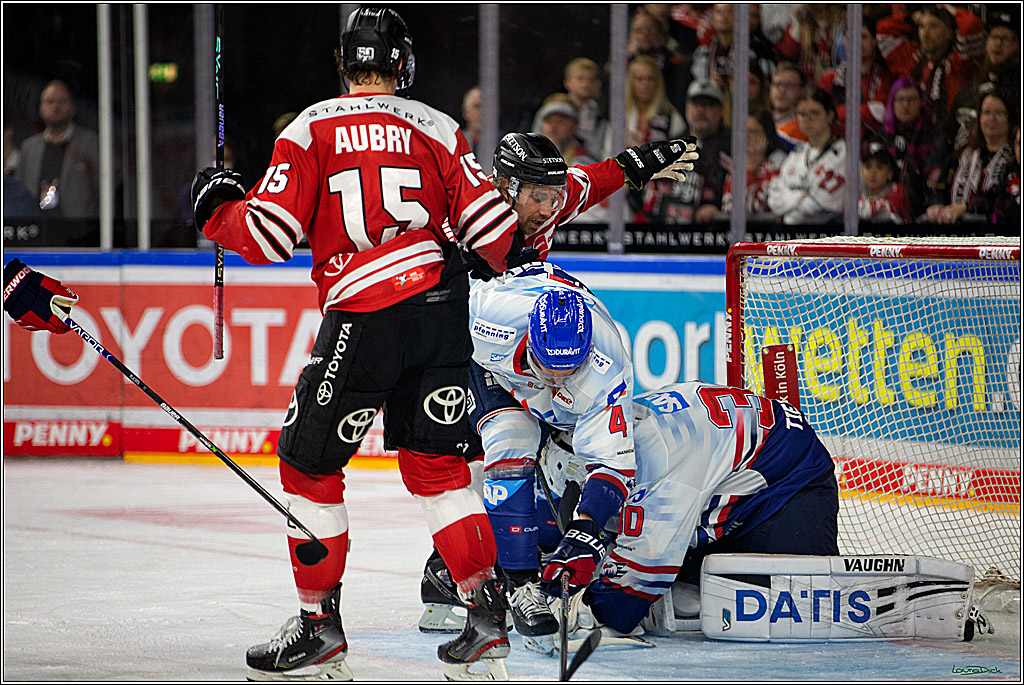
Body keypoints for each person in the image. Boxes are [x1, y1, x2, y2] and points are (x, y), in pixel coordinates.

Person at [189, 8, 529, 680]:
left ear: (343, 63)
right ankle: (486, 620)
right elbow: (497, 236)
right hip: (439, 312)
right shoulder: (436, 125)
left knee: (308, 464)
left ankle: (320, 627)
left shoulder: (310, 127)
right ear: (400, 63)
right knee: (440, 471)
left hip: (364, 314)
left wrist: (213, 207)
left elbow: (266, 235)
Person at [418, 132, 698, 642]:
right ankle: (518, 582)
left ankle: (449, 569)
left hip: (528, 337)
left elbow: (586, 185)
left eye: (553, 198)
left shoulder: (542, 200)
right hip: (474, 348)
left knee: (558, 459)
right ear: (503, 188)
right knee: (508, 448)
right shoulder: (456, 226)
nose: (548, 209)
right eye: (538, 198)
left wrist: (634, 165)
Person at [536, 380, 841, 641]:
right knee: (681, 595)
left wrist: (579, 610)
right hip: (724, 471)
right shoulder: (612, 438)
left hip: (788, 485)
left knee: (802, 610)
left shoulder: (659, 471)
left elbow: (627, 600)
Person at [639, 79, 731, 225]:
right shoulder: (670, 147)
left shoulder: (730, 150)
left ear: (721, 110)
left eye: (708, 105)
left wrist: (717, 210)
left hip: (709, 236)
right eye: (696, 104)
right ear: (687, 107)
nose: (701, 110)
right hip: (666, 234)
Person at [876, 4, 985, 121]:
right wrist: (912, 17)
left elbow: (971, 25)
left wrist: (948, 8)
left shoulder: (960, 60)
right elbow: (883, 29)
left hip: (950, 130)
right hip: (916, 133)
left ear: (949, 33)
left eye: (933, 26)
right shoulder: (911, 58)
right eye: (921, 26)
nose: (925, 33)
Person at [925, 90, 1016, 225]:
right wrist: (936, 205)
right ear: (979, 118)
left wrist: (966, 207)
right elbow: (940, 188)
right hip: (953, 230)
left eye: (998, 113)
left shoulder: (1015, 158)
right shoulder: (963, 153)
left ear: (1009, 118)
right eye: (986, 113)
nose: (992, 118)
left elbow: (1004, 200)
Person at [14, 79, 99, 219]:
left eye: (62, 101)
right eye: (50, 102)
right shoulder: (28, 147)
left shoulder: (89, 142)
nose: (55, 106)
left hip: (77, 229)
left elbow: (104, 186)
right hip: (36, 229)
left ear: (72, 107)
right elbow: (20, 191)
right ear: (41, 108)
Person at [768, 88, 847, 225]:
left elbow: (821, 204)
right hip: (794, 238)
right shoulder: (794, 156)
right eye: (802, 114)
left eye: (814, 113)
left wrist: (790, 201)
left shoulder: (845, 154)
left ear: (830, 115)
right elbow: (774, 200)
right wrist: (802, 196)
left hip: (829, 237)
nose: (807, 119)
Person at [874, 77, 947, 219]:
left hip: (925, 211)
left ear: (920, 102)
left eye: (911, 99)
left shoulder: (933, 134)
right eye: (900, 100)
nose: (905, 105)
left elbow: (935, 180)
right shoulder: (881, 138)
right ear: (892, 103)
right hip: (887, 211)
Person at [950, 11, 1020, 151]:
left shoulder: (1018, 89)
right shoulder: (971, 86)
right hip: (962, 164)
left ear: (1018, 46)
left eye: (1007, 39)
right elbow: (948, 129)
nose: (998, 44)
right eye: (994, 37)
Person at [817, 16, 896, 137]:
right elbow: (819, 116)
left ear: (874, 41)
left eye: (863, 37)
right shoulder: (828, 80)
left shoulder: (886, 78)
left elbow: (880, 114)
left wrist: (839, 112)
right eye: (850, 37)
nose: (857, 42)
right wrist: (864, 111)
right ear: (844, 41)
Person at [722, 109, 786, 217]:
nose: (746, 137)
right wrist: (750, 168)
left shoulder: (779, 162)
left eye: (752, 132)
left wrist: (751, 169)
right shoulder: (737, 163)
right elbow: (729, 209)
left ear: (766, 135)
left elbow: (757, 208)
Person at [858, 140, 912, 224]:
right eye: (868, 167)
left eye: (879, 167)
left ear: (889, 173)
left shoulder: (897, 190)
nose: (873, 173)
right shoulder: (856, 195)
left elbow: (889, 207)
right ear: (861, 172)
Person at [770, 62, 809, 151]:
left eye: (789, 85)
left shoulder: (806, 126)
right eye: (777, 84)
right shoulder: (760, 121)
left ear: (802, 91)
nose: (782, 90)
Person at [460, 85, 482, 156]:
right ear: (465, 111)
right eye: (476, 106)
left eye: (486, 106)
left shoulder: (504, 146)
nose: (482, 111)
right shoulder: (454, 144)